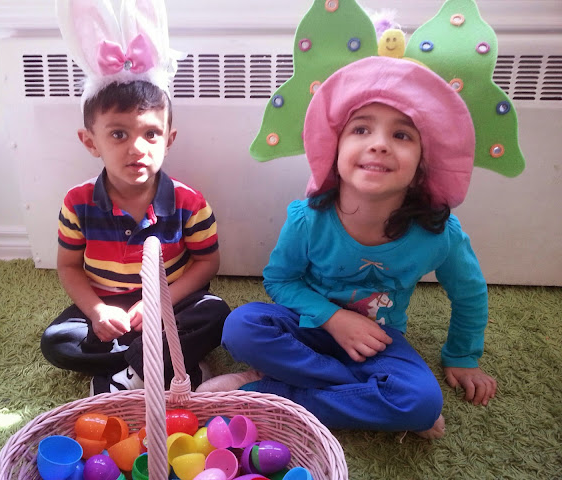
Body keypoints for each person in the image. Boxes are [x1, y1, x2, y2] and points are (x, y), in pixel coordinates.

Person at [197, 56, 497, 439]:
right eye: (361, 129)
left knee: (421, 402)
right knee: (241, 326)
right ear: (334, 150)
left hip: (378, 342)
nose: (379, 145)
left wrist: (463, 356)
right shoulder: (308, 218)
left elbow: (470, 294)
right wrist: (334, 319)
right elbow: (280, 280)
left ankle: (266, 392)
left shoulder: (440, 233)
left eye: (402, 135)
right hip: (307, 326)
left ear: (423, 163)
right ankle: (365, 395)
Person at [41, 0, 230, 395]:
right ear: (90, 142)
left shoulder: (190, 202)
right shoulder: (77, 203)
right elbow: (69, 267)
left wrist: (162, 304)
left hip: (171, 303)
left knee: (216, 314)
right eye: (118, 134)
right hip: (108, 304)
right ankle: (158, 363)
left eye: (151, 134)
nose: (137, 148)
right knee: (58, 341)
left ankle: (129, 372)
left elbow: (206, 262)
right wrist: (97, 311)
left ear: (168, 140)